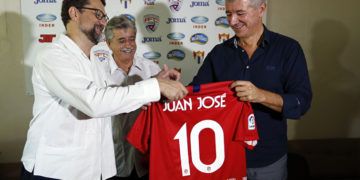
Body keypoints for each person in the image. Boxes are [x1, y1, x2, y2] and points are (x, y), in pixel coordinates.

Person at [20, 0, 188, 179]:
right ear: (74, 13)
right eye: (97, 14)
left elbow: (114, 97)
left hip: (92, 171)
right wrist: (154, 86)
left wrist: (156, 82)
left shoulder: (94, 61)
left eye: (104, 16)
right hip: (54, 171)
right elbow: (94, 102)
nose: (103, 22)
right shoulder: (53, 56)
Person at [191, 0, 312, 179]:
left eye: (240, 14)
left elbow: (301, 102)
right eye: (228, 14)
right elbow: (194, 96)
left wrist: (261, 96)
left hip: (268, 160)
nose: (232, 21)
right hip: (224, 158)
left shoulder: (288, 49)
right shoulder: (218, 53)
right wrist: (167, 89)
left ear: (261, 9)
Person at [90, 15, 165, 179]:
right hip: (110, 161)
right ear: (109, 44)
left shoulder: (152, 69)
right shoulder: (97, 72)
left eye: (132, 39)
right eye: (122, 41)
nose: (129, 45)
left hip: (145, 160)